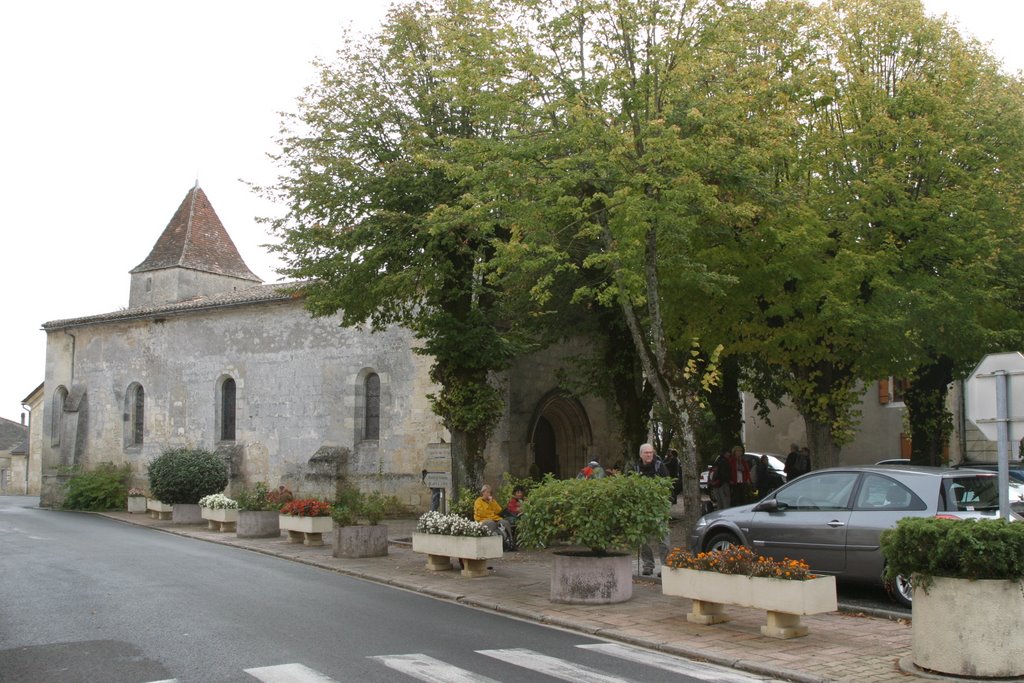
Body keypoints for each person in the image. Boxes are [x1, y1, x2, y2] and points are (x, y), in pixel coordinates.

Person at [633, 443, 671, 576]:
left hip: (659, 509)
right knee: (644, 540)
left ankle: (666, 566)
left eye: (651, 452)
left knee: (663, 540)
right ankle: (648, 565)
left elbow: (668, 485)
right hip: (642, 510)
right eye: (646, 453)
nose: (649, 455)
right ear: (641, 454)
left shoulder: (660, 466)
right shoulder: (635, 468)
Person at [473, 484, 513, 549]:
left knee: (505, 522)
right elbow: (482, 513)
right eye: (487, 492)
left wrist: (492, 503)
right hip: (482, 520)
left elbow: (498, 511)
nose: (489, 494)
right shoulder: (478, 501)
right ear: (483, 492)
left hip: (495, 519)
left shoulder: (492, 501)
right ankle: (492, 544)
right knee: (491, 523)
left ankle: (510, 542)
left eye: (490, 492)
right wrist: (491, 514)